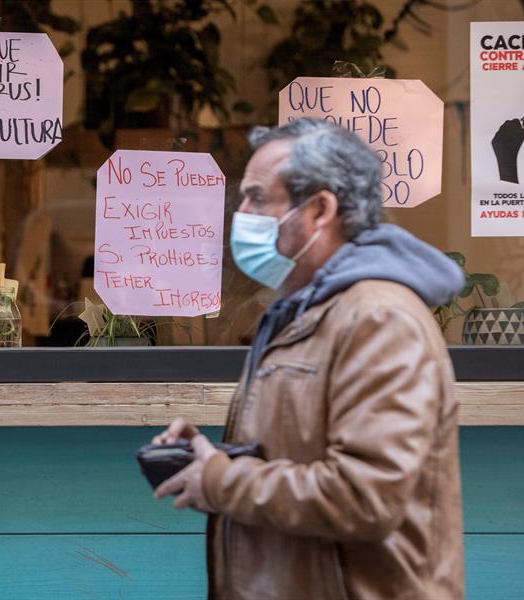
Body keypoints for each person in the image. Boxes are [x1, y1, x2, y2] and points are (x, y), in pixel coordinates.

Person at [153, 118, 466, 600]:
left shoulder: (379, 319)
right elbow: (301, 451)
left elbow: (366, 495)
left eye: (258, 198)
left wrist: (219, 480)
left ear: (320, 208)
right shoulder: (309, 311)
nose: (241, 212)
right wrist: (216, 459)